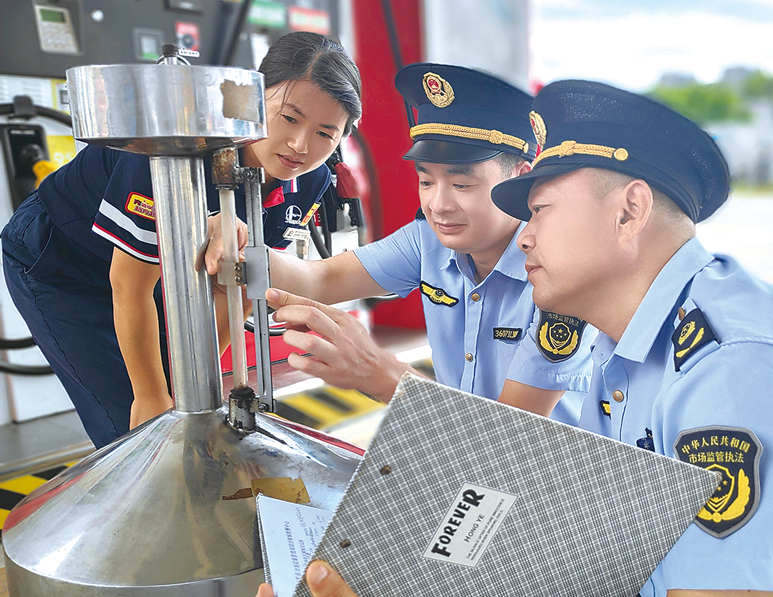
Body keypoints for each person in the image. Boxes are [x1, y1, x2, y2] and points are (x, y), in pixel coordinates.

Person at [257, 79, 773, 597]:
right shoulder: (625, 336)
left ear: (629, 212)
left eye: (540, 211)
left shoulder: (728, 365)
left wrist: (382, 376)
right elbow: (596, 541)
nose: (526, 237)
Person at [1, 31, 362, 448]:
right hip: (62, 259)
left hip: (157, 271)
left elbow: (241, 283)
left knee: (186, 408)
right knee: (135, 430)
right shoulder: (170, 147)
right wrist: (152, 396)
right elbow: (129, 286)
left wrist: (193, 382)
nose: (300, 145)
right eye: (290, 118)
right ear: (254, 100)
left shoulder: (311, 180)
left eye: (325, 133)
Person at [212, 63, 594, 421]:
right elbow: (321, 279)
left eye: (462, 184)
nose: (438, 205)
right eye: (426, 181)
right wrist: (231, 243)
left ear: (520, 178)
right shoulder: (429, 242)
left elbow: (511, 431)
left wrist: (380, 373)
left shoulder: (563, 277)